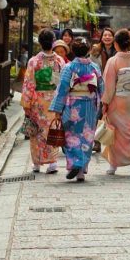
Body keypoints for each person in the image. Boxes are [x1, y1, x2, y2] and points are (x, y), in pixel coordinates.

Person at [50, 38, 104, 181]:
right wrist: (102, 104)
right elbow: (101, 87)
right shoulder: (94, 67)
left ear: (72, 51)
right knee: (87, 137)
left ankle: (75, 164)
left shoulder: (69, 67)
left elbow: (62, 89)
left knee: (71, 136)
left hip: (73, 105)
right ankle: (81, 170)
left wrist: (57, 109)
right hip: (90, 105)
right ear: (87, 51)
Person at [101, 28, 130, 177]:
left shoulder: (113, 61)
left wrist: (105, 102)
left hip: (117, 100)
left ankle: (113, 164)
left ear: (116, 44)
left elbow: (108, 85)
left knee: (115, 132)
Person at [20, 28, 64, 174]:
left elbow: (29, 83)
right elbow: (60, 83)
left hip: (37, 101)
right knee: (52, 129)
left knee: (37, 132)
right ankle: (52, 163)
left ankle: (37, 163)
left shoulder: (34, 61)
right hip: (53, 100)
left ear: (39, 43)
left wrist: (26, 104)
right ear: (53, 42)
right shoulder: (58, 61)